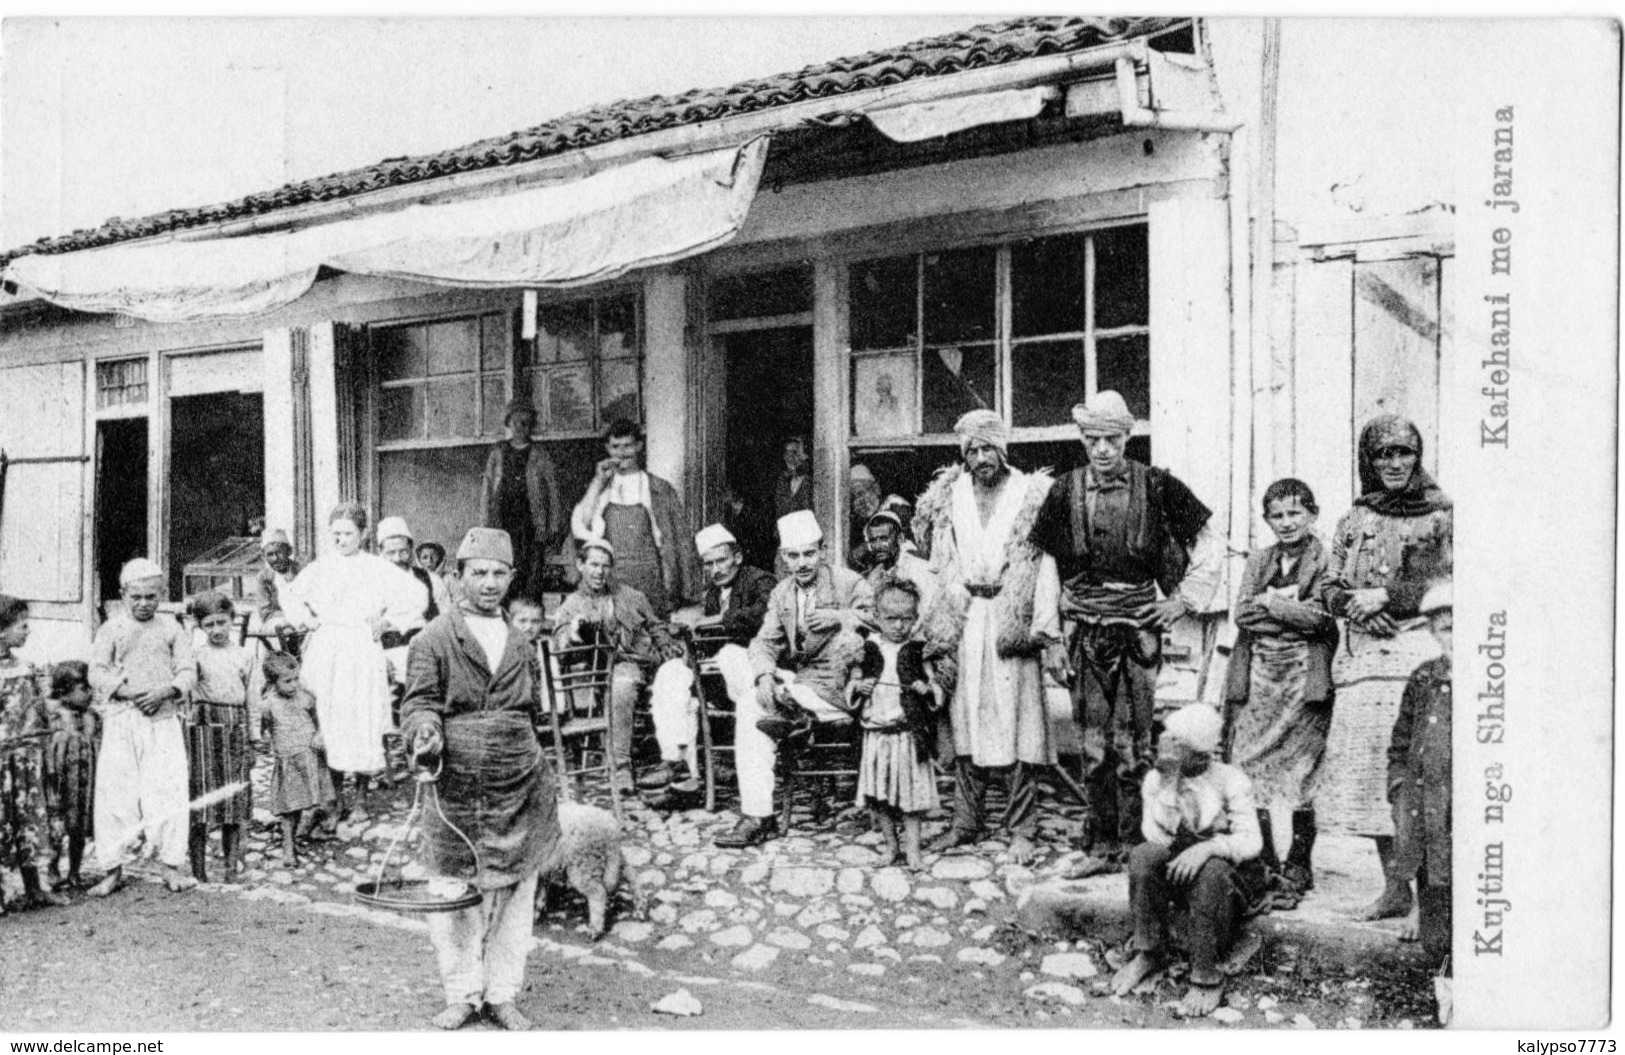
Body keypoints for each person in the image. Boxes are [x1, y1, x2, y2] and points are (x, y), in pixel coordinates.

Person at [1030, 391, 1225, 877]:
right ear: (1081, 438)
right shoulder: (1064, 491)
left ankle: (1137, 847)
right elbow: (1047, 566)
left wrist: (1182, 600)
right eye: (1092, 439)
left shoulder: (1158, 486)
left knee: (1134, 744)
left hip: (1138, 630)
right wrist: (1051, 638)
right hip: (1084, 631)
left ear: (1127, 436)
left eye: (1111, 439)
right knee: (1094, 744)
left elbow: (1210, 537)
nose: (1102, 449)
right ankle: (1099, 846)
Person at [402, 527, 558, 1032]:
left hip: (518, 780)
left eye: (499, 574)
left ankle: (503, 993)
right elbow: (419, 702)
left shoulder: (519, 639)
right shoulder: (434, 638)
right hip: (457, 783)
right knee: (452, 888)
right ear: (458, 576)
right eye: (479, 573)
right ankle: (461, 993)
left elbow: (531, 709)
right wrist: (426, 732)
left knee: (517, 887)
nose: (489, 583)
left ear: (511, 578)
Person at [1318, 414, 1452, 921]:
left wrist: (1386, 598)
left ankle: (1428, 901)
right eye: (1382, 454)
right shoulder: (1353, 521)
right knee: (1371, 780)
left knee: (1415, 776)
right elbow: (1329, 584)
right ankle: (1393, 889)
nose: (1394, 463)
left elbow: (1453, 583)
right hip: (1361, 663)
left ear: (1418, 457)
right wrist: (1352, 605)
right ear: (1368, 461)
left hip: (1413, 657)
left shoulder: (1441, 517)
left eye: (1403, 453)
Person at [915, 410, 1063, 866]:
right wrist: (940, 618)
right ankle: (966, 821)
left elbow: (1045, 564)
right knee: (965, 719)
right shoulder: (951, 496)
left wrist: (1045, 628)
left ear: (1003, 450)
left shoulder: (1029, 493)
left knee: (1018, 722)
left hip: (1009, 614)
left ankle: (1022, 829)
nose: (981, 459)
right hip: (966, 616)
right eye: (972, 451)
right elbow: (941, 564)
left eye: (988, 449)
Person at [716, 510, 874, 849]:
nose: (802, 563)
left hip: (844, 684)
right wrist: (762, 675)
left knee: (756, 710)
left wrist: (839, 617)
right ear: (783, 557)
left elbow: (880, 621)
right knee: (750, 700)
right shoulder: (783, 593)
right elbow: (764, 641)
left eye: (809, 553)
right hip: (805, 683)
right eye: (793, 555)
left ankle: (792, 718)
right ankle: (759, 815)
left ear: (822, 550)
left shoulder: (848, 583)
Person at [1111, 703, 1263, 1017]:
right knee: (1143, 856)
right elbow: (1155, 839)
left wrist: (1207, 848)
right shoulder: (1157, 779)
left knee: (1212, 871)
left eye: (1176, 744)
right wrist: (1169, 788)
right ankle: (1148, 951)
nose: (1165, 748)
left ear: (1200, 754)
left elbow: (1251, 841)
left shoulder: (1230, 779)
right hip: (1181, 872)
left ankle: (1206, 974)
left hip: (1226, 881)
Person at [1223, 478, 1337, 896]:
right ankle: (1265, 859)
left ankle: (1298, 865)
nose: (1287, 523)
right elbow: (1242, 616)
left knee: (1303, 768)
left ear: (1312, 514)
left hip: (1305, 677)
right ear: (1267, 519)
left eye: (1295, 513)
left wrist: (1272, 603)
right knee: (1252, 763)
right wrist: (1292, 611)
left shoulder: (1326, 559)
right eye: (1277, 515)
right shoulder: (1259, 561)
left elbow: (1322, 620)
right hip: (1260, 675)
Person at [286, 503, 426, 827]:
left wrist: (388, 620)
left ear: (363, 534)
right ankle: (334, 800)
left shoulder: (375, 568)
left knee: (363, 723)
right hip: (328, 650)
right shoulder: (321, 567)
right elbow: (291, 597)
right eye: (336, 534)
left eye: (348, 534)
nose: (341, 540)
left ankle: (361, 801)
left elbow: (417, 596)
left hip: (362, 651)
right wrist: (307, 619)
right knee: (329, 724)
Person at [640, 524, 776, 804]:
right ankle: (679, 768)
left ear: (737, 557)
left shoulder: (759, 580)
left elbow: (764, 613)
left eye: (721, 560)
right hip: (717, 677)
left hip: (752, 674)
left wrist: (711, 621)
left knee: (727, 657)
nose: (715, 569)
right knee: (671, 677)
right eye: (708, 563)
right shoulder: (714, 594)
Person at [88, 559, 198, 896]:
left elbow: (188, 670)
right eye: (136, 597)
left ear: (162, 594)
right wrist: (126, 692)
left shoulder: (172, 629)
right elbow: (96, 672)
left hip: (162, 721)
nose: (143, 603)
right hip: (122, 720)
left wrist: (166, 691)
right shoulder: (111, 629)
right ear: (123, 594)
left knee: (167, 789)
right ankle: (112, 867)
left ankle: (169, 863)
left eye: (151, 596)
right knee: (115, 793)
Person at [551, 537, 681, 794]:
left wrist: (664, 641)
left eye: (605, 566)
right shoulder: (571, 605)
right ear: (580, 565)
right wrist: (576, 629)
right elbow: (559, 641)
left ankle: (681, 763)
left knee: (679, 676)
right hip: (603, 672)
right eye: (593, 565)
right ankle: (622, 768)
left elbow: (656, 625)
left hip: (643, 661)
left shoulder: (631, 595)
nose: (599, 572)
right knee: (622, 687)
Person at [1389, 580, 1453, 1017]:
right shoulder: (1424, 677)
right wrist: (1398, 786)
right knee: (1434, 909)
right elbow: (1399, 743)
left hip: (1464, 817)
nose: (1452, 637)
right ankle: (1443, 987)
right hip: (1424, 812)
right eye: (1442, 628)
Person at [571, 418, 698, 620]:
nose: (622, 453)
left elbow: (681, 541)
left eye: (628, 446)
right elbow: (582, 526)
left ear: (639, 446)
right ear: (607, 449)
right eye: (615, 447)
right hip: (612, 576)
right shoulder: (601, 488)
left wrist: (686, 588)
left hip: (650, 578)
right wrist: (598, 482)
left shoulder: (659, 489)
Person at [852, 580, 940, 871]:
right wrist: (859, 686)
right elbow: (851, 683)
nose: (899, 626)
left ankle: (913, 851)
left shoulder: (919, 650)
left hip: (906, 736)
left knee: (911, 798)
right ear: (876, 617)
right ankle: (891, 847)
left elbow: (935, 689)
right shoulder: (868, 648)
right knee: (881, 798)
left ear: (915, 618)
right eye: (891, 618)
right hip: (877, 734)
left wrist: (925, 688)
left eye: (907, 619)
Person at [185, 590, 255, 883]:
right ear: (200, 627)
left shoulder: (244, 655)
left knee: (232, 804)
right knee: (199, 803)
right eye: (208, 625)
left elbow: (253, 699)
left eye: (221, 623)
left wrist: (253, 738)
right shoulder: (194, 656)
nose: (216, 630)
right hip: (202, 730)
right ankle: (199, 873)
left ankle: (229, 870)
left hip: (235, 728)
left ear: (232, 620)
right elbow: (186, 694)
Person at [0, 595, 63, 911]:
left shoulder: (26, 668)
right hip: (1, 761)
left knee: (29, 822)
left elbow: (39, 713)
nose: (28, 632)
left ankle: (35, 887)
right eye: (22, 626)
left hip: (27, 758)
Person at [481, 401, 565, 600]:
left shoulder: (540, 454)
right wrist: (485, 524)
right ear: (508, 424)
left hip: (531, 524)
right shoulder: (498, 453)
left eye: (526, 423)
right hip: (503, 523)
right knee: (504, 571)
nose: (520, 427)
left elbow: (553, 492)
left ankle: (529, 617)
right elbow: (487, 489)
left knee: (532, 576)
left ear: (531, 426)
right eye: (516, 422)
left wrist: (552, 527)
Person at [259, 650, 335, 867]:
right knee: (289, 807)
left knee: (304, 801)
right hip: (288, 759)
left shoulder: (305, 697)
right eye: (287, 681)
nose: (293, 685)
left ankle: (300, 834)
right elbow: (262, 729)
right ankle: (288, 847)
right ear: (273, 683)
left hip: (309, 756)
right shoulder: (268, 704)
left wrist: (320, 734)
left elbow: (320, 719)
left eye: (296, 679)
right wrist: (263, 741)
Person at [45, 661, 98, 891]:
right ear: (64, 692)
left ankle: (75, 871)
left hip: (85, 781)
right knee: (56, 827)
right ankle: (52, 871)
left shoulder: (92, 716)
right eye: (83, 688)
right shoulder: (55, 716)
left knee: (79, 827)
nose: (89, 693)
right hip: (60, 780)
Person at [377, 516, 452, 633]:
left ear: (411, 550)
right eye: (391, 553)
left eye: (403, 551)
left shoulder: (433, 582)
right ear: (380, 553)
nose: (398, 558)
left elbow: (447, 624)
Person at [860, 510, 937, 615]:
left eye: (883, 538)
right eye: (873, 540)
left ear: (900, 539)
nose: (877, 546)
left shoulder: (920, 570)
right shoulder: (872, 577)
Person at [255, 527, 306, 657]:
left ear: (289, 552)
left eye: (279, 553)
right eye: (270, 555)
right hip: (277, 621)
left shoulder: (303, 572)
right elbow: (266, 612)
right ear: (264, 556)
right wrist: (288, 620)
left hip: (304, 619)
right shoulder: (264, 578)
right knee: (282, 631)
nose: (275, 558)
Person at [772, 436, 814, 523]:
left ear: (805, 456)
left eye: (795, 453)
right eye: (786, 453)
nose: (790, 457)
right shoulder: (782, 480)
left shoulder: (812, 481)